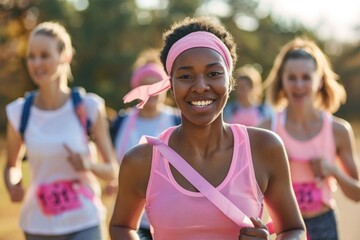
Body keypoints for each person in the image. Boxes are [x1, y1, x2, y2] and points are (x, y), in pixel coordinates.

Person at [109, 16, 306, 240]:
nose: (201, 87)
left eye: (213, 74)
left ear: (230, 81)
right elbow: (121, 227)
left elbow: (293, 229)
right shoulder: (142, 160)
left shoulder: (264, 148)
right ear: (170, 85)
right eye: (185, 76)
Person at [4, 21, 118, 240]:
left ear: (64, 56)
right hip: (38, 225)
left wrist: (88, 165)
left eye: (45, 55)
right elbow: (11, 165)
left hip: (85, 220)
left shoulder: (89, 107)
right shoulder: (19, 112)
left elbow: (112, 171)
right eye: (31, 56)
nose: (36, 63)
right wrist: (13, 183)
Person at [259, 37, 360, 240]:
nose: (298, 85)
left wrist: (333, 171)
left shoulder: (338, 130)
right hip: (284, 227)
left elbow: (356, 193)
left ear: (319, 80)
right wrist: (275, 167)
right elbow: (250, 191)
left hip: (324, 224)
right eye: (292, 77)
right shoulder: (266, 130)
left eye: (306, 77)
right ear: (282, 80)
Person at [108, 48, 180, 240]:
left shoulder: (178, 121)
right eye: (145, 86)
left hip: (173, 220)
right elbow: (109, 160)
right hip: (134, 222)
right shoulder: (120, 122)